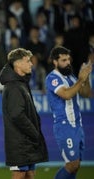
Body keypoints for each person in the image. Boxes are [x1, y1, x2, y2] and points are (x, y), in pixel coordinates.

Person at [0, 48, 48, 179]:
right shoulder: (14, 86)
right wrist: (34, 132)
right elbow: (17, 115)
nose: (31, 64)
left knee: (30, 174)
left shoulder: (21, 83)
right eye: (27, 61)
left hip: (26, 141)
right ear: (18, 64)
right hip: (19, 142)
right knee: (20, 174)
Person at [45, 46, 93, 179]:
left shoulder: (71, 77)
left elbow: (86, 93)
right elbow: (66, 94)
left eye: (68, 60)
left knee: (75, 166)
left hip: (77, 125)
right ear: (55, 62)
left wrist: (86, 78)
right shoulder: (52, 78)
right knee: (72, 165)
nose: (68, 63)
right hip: (64, 125)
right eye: (64, 60)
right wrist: (80, 80)